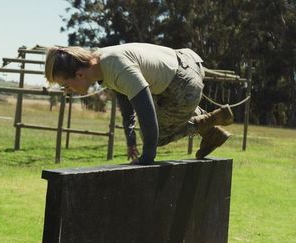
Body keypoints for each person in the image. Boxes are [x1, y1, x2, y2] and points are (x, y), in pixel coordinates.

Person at [44, 43, 233, 165]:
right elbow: (127, 106)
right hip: (178, 72)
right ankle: (211, 132)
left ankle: (209, 120)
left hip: (183, 83)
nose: (67, 90)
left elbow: (145, 110)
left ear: (79, 74)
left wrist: (147, 157)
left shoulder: (115, 67)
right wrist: (131, 140)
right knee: (152, 127)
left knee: (155, 136)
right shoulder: (101, 64)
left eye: (65, 85)